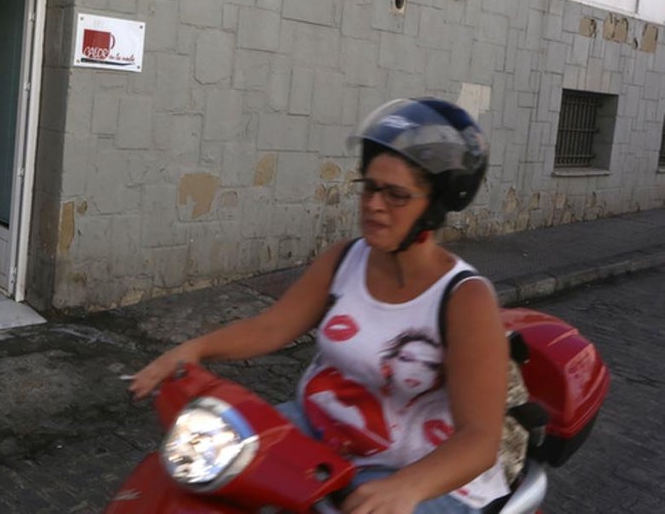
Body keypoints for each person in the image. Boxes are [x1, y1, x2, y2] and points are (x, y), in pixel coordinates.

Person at [129, 98, 509, 514]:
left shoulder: (465, 299)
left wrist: (408, 487)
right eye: (369, 187)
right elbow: (274, 325)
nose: (374, 205)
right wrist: (194, 350)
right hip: (318, 433)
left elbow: (479, 439)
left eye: (396, 195)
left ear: (434, 207)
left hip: (410, 470)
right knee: (203, 476)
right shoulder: (346, 259)